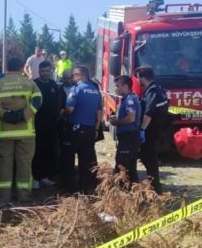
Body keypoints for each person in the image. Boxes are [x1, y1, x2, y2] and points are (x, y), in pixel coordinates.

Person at [0, 57, 42, 202]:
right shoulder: (30, 83)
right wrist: (24, 115)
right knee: (24, 164)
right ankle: (24, 197)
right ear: (22, 67)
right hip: (26, 133)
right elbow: (38, 101)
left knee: (4, 165)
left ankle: (4, 198)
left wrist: (5, 115)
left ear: (7, 67)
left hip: (4, 133)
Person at [60, 65, 102, 194]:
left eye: (73, 75)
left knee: (68, 159)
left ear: (80, 75)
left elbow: (70, 109)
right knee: (85, 160)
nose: (72, 78)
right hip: (90, 130)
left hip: (75, 129)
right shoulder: (96, 91)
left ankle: (69, 188)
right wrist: (96, 129)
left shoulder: (76, 89)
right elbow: (99, 113)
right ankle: (83, 188)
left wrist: (62, 112)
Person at [136, 66, 169, 193]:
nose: (137, 79)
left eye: (138, 76)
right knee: (147, 157)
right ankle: (153, 184)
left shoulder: (153, 91)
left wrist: (142, 129)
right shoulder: (156, 89)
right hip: (156, 129)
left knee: (149, 158)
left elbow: (149, 113)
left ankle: (155, 187)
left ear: (142, 77)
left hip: (151, 130)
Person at [31, 60, 63, 187]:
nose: (45, 73)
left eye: (47, 71)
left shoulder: (54, 84)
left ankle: (45, 176)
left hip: (51, 125)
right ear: (39, 71)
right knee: (36, 152)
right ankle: (35, 178)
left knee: (48, 150)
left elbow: (58, 102)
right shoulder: (34, 84)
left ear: (51, 71)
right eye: (42, 71)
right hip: (37, 124)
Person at [108, 75, 141, 183]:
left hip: (129, 136)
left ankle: (123, 193)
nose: (115, 89)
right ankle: (133, 193)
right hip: (127, 136)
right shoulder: (126, 99)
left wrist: (116, 122)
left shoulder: (130, 100)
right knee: (130, 168)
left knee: (122, 166)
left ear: (125, 86)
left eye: (117, 86)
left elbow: (131, 118)